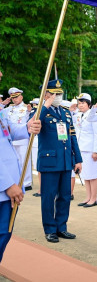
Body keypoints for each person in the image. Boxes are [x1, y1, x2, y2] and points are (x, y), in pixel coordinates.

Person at [30, 79, 82, 243]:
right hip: (49, 161)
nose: (57, 97)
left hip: (66, 161)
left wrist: (78, 159)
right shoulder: (41, 111)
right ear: (46, 94)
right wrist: (46, 104)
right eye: (54, 93)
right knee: (48, 196)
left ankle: (61, 227)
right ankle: (50, 229)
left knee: (65, 196)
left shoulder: (65, 112)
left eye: (59, 94)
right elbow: (34, 122)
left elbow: (72, 136)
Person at [0, 88, 41, 262]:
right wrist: (7, 184)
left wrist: (27, 126)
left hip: (7, 188)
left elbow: (7, 132)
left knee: (4, 233)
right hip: (5, 186)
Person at [76, 93, 97, 208]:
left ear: (89, 105)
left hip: (90, 149)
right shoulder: (78, 115)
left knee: (92, 175)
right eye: (79, 103)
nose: (80, 105)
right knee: (85, 174)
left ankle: (94, 198)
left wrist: (96, 151)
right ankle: (88, 197)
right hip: (81, 148)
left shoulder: (94, 116)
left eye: (83, 103)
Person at [4, 88, 33, 191]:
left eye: (16, 97)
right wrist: (3, 104)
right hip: (11, 138)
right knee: (13, 160)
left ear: (21, 97)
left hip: (23, 137)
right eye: (13, 98)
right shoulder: (8, 109)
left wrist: (29, 112)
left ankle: (27, 182)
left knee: (24, 159)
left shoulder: (27, 108)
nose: (14, 100)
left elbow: (30, 121)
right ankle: (16, 180)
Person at [30, 98, 41, 198]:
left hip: (39, 143)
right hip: (34, 143)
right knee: (38, 167)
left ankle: (42, 188)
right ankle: (41, 188)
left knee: (41, 167)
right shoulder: (33, 113)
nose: (34, 106)